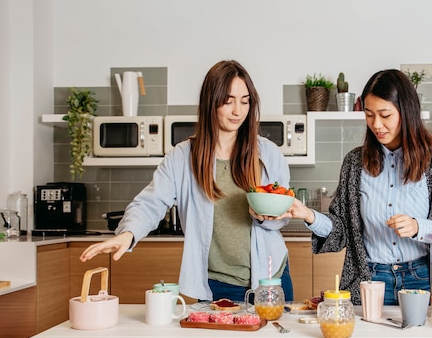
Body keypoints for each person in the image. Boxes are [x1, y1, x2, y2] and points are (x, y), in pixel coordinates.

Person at [80, 60, 294, 302]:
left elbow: (281, 214)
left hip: (270, 278)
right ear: (210, 102)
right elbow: (151, 203)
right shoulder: (183, 157)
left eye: (245, 101)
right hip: (217, 284)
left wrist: (270, 216)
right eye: (228, 101)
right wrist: (127, 234)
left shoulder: (267, 154)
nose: (238, 111)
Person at [287, 69, 432, 305]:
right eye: (369, 114)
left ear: (407, 112)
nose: (376, 124)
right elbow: (342, 230)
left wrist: (418, 226)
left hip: (424, 279)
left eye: (385, 115)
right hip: (369, 279)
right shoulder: (355, 163)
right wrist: (309, 215)